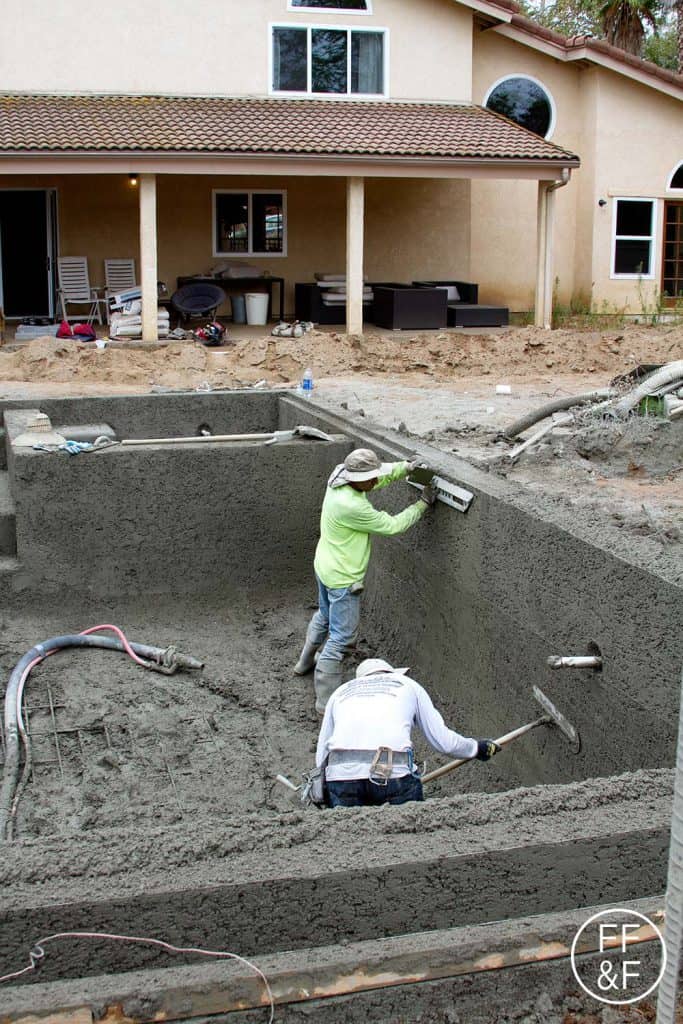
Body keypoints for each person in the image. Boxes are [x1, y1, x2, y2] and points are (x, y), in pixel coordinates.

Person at [293, 447, 435, 713]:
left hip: (324, 566)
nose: (375, 482)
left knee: (324, 616)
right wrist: (422, 504)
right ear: (359, 479)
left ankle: (304, 662)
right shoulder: (353, 507)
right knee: (340, 640)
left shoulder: (339, 477)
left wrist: (405, 467)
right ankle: (326, 702)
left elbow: (374, 477)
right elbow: (392, 526)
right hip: (343, 580)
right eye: (372, 478)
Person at [316, 658, 501, 808]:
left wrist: (322, 788)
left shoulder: (340, 693)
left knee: (352, 846)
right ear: (391, 673)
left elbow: (322, 754)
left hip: (341, 779)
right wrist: (477, 748)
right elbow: (443, 741)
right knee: (409, 844)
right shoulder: (407, 684)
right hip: (392, 776)